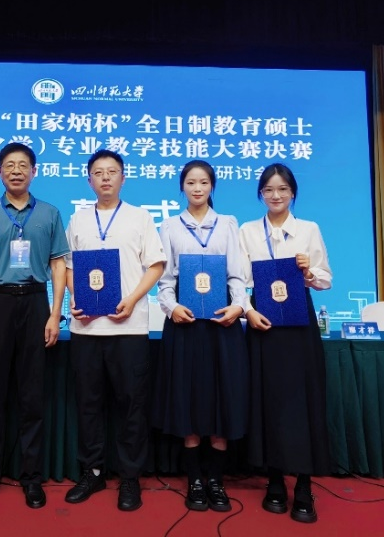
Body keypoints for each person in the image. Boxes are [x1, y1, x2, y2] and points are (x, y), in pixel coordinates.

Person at [0, 142, 69, 511]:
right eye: (9, 165)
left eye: (23, 165)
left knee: (32, 396)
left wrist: (55, 313)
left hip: (35, 303)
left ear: (34, 172)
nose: (17, 170)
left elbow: (58, 265)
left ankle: (31, 478)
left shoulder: (49, 213)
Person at [64, 149, 166, 512]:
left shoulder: (140, 217)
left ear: (123, 177)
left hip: (129, 328)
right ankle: (91, 472)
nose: (105, 177)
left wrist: (133, 300)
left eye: (112, 172)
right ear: (88, 179)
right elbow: (69, 267)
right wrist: (77, 297)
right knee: (88, 404)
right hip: (87, 329)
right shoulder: (77, 219)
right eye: (98, 172)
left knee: (131, 406)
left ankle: (130, 477)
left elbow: (156, 265)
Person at [152, 160, 249, 512]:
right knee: (188, 400)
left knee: (223, 399)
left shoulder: (228, 224)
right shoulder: (169, 226)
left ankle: (216, 481)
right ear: (182, 187)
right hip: (186, 323)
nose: (197, 188)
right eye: (191, 182)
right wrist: (171, 307)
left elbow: (237, 275)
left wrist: (239, 306)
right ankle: (195, 480)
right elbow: (165, 280)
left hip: (222, 323)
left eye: (204, 182)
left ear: (212, 186)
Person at [239, 163, 332, 524]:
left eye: (282, 189)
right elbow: (239, 281)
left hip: (298, 324)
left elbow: (325, 279)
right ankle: (274, 480)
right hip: (263, 323)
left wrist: (309, 272)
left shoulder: (309, 229)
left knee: (302, 400)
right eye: (268, 190)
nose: (275, 195)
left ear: (293, 192)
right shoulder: (248, 231)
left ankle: (304, 485)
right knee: (268, 400)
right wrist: (248, 311)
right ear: (260, 194)